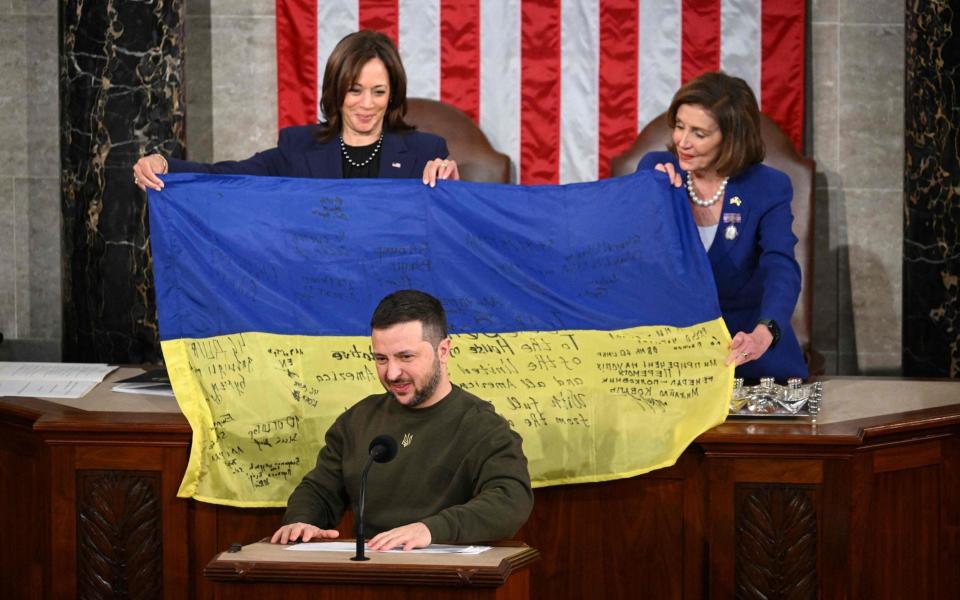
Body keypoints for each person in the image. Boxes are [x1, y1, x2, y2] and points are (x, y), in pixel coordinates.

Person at [270, 289, 533, 550]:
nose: (392, 373)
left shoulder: (483, 427)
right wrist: (302, 522)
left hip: (448, 576)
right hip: (368, 573)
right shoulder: (357, 421)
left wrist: (431, 530)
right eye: (381, 359)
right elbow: (319, 491)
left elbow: (510, 499)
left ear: (443, 351)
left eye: (406, 357)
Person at [636, 72, 808, 381]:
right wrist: (651, 194)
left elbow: (780, 265)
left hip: (745, 351)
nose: (682, 142)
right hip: (671, 357)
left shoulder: (766, 186)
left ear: (731, 138)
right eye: (679, 126)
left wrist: (764, 332)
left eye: (699, 133)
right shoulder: (656, 170)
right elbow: (634, 256)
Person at [133, 30, 458, 190]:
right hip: (318, 295)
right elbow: (227, 176)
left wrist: (452, 190)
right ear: (335, 90)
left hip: (397, 296)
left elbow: (454, 234)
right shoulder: (297, 146)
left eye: (379, 92)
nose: (367, 104)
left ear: (393, 96)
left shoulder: (428, 152)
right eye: (354, 90)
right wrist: (165, 166)